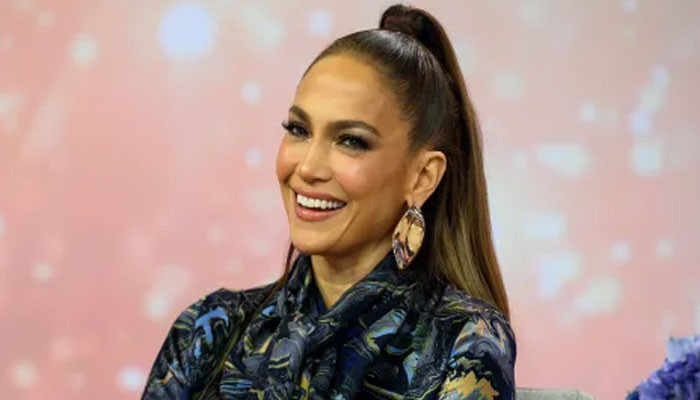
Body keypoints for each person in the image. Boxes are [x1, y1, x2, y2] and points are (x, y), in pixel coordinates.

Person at [141, 4, 516, 399]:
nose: (308, 167)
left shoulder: (465, 341)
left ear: (423, 176)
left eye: (351, 141)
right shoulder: (208, 329)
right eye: (298, 130)